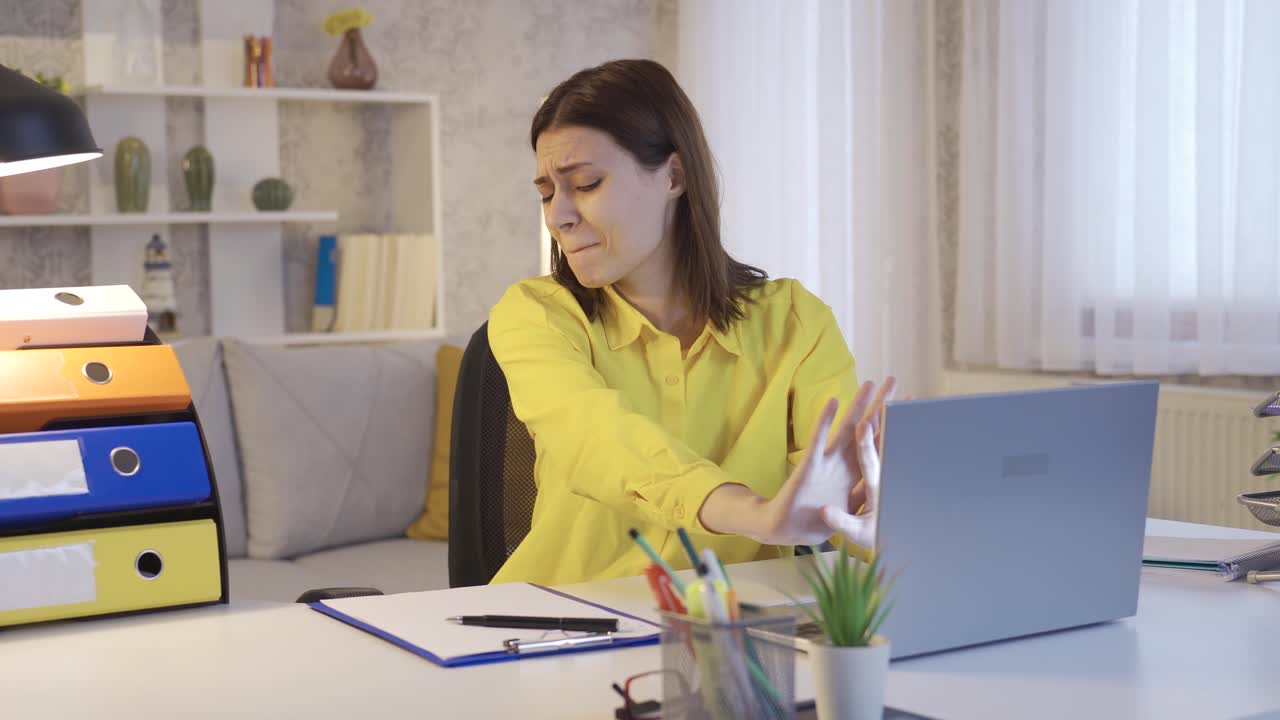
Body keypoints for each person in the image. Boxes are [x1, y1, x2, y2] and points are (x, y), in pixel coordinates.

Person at [488, 59, 894, 586]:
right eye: (547, 193)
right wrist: (754, 513)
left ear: (674, 176)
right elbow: (601, 441)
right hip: (561, 624)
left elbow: (833, 508)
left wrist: (864, 506)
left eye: (584, 184)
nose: (557, 215)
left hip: (734, 630)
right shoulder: (536, 314)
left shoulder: (795, 321)